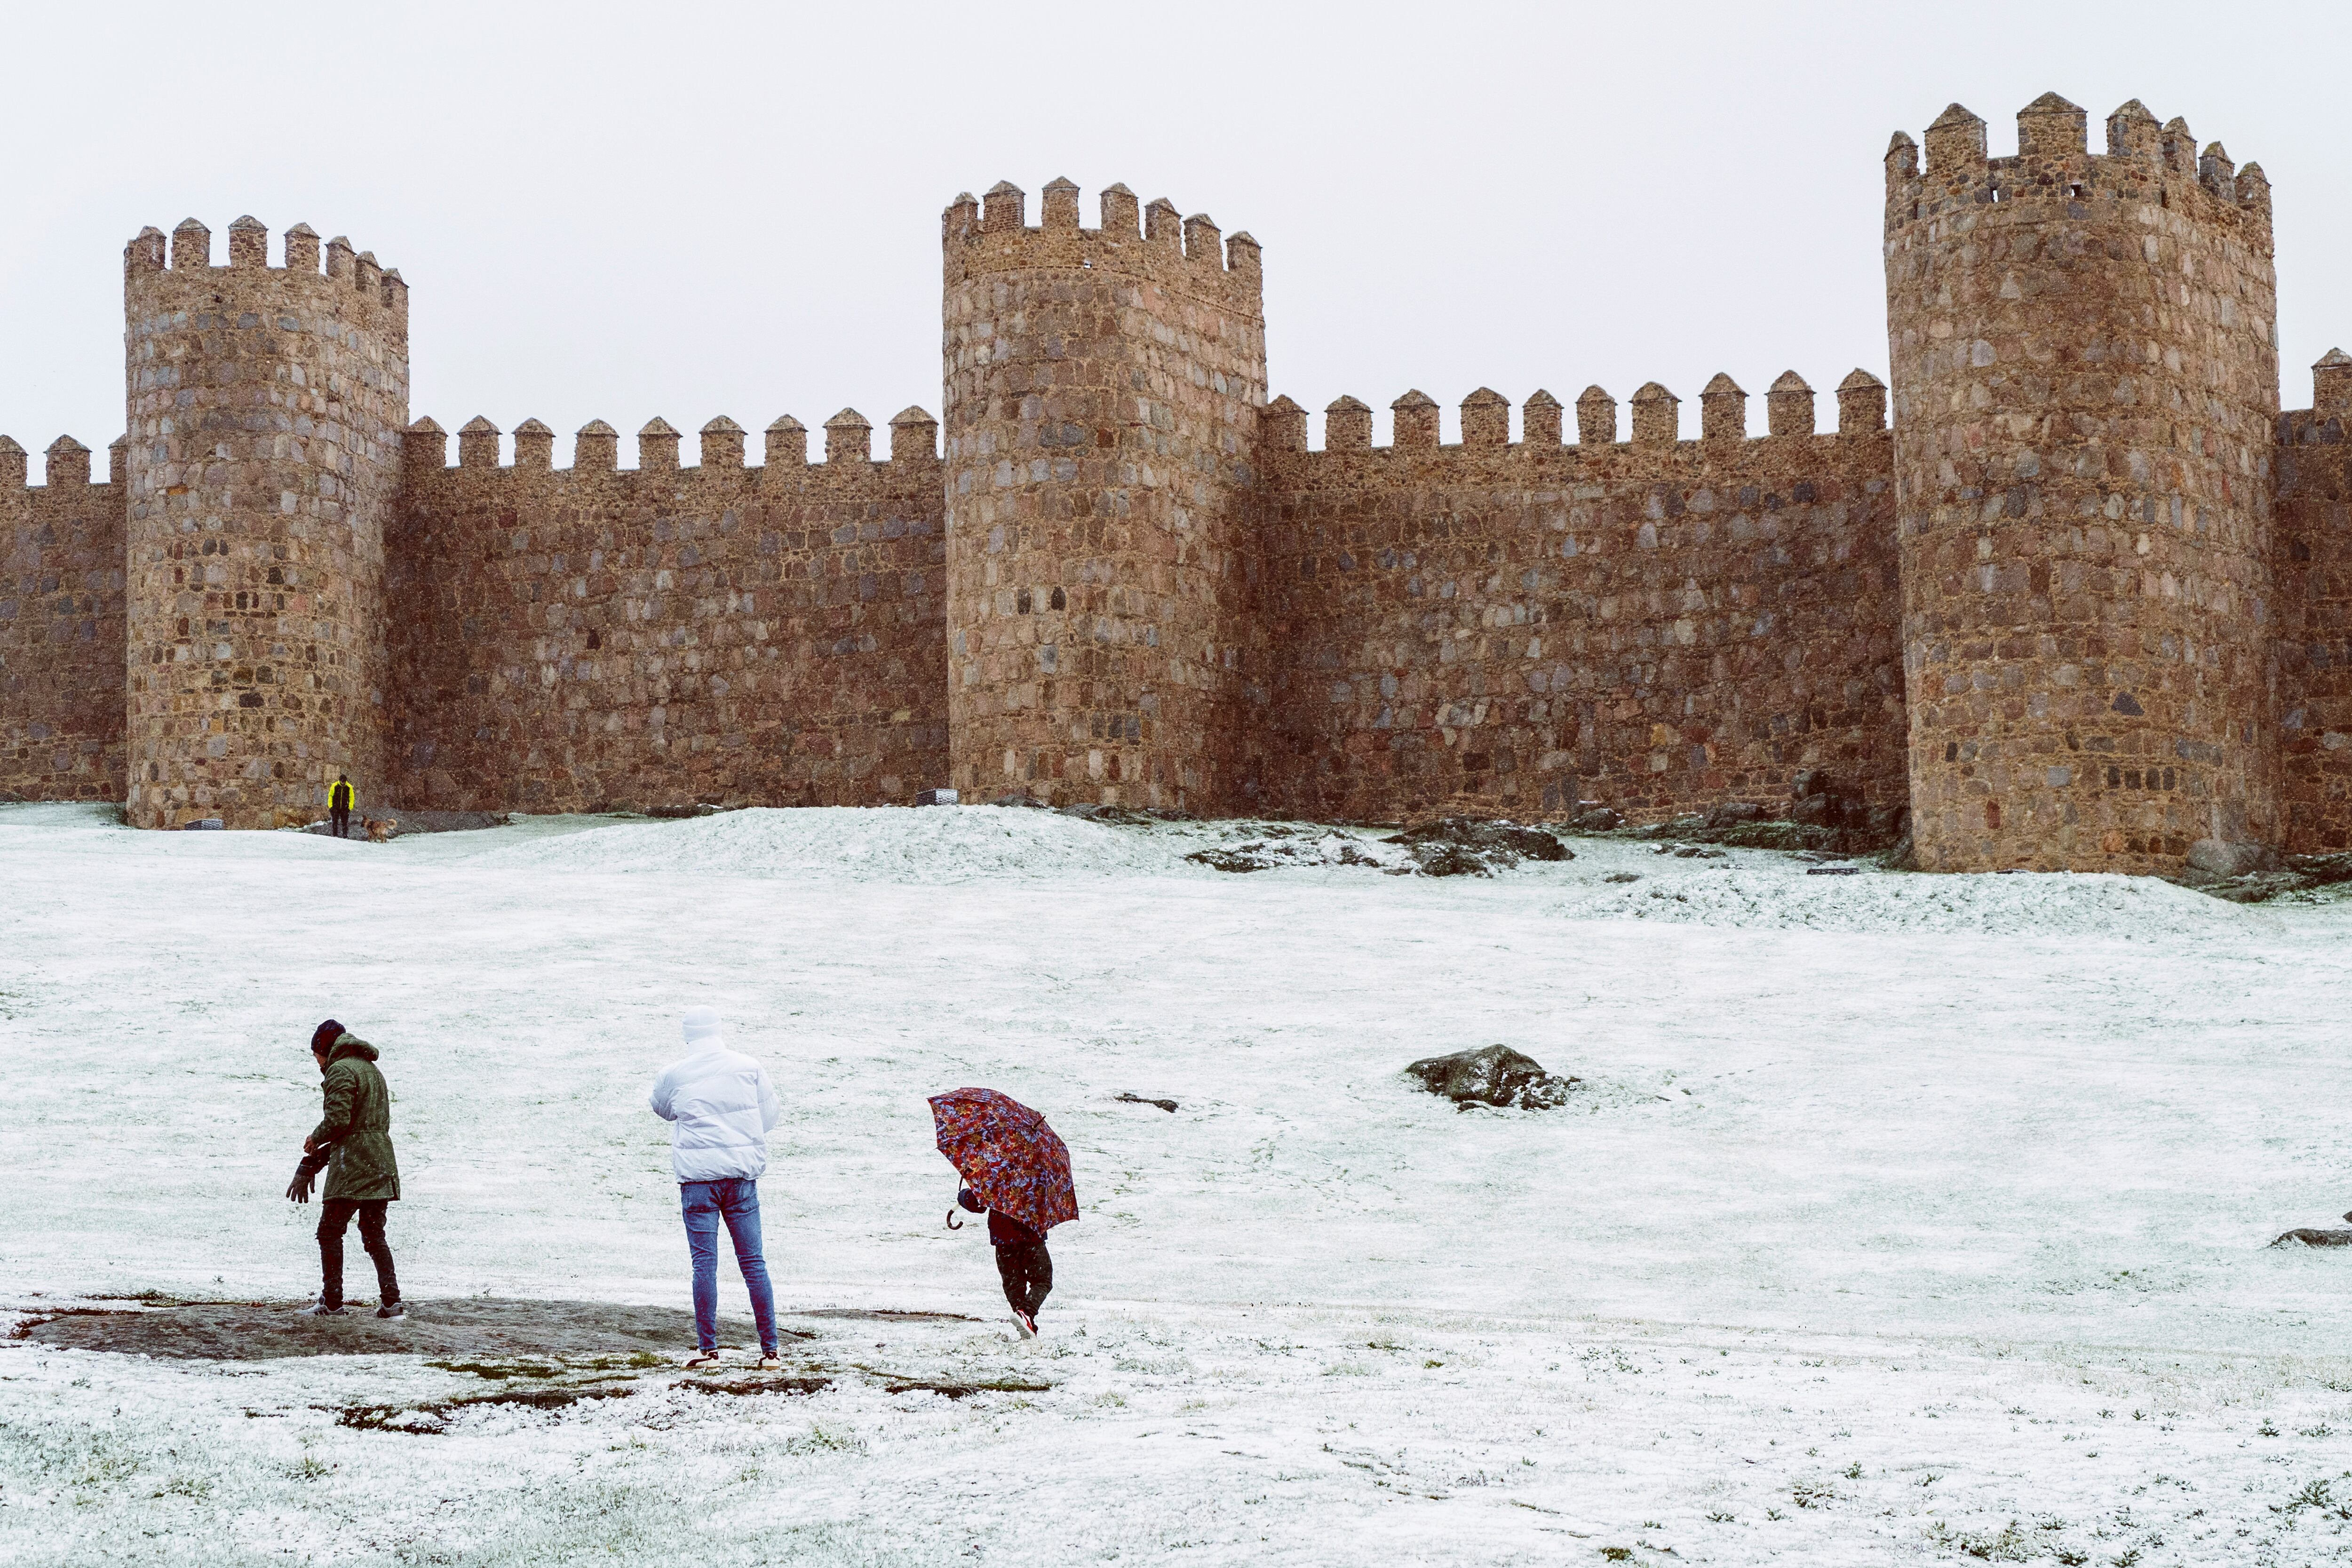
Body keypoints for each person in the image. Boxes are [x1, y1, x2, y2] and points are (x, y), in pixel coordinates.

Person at [649, 1006, 782, 1369]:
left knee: (704, 1263)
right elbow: (769, 1117)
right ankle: (770, 1351)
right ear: (719, 1030)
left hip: (698, 1182)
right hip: (741, 1180)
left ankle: (708, 1350)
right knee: (754, 1262)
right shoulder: (749, 1066)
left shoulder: (674, 1074)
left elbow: (662, 1110)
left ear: (687, 1035)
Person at [284, 1019, 403, 1318]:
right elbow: (361, 1126)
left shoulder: (340, 1069)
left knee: (329, 1232)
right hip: (381, 1161)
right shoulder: (372, 1070)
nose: (318, 1064)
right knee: (374, 1234)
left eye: (316, 1057)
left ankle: (332, 1302)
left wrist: (316, 1138)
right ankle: (392, 1302)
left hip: (353, 1167)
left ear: (324, 1049)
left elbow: (339, 1121)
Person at [958, 1186, 1052, 1337]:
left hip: (1004, 1238)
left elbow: (976, 1204)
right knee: (1042, 1279)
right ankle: (1027, 1314)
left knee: (1014, 1285)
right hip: (1031, 1235)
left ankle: (1026, 1321)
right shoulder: (1038, 1174)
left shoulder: (997, 1171)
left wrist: (963, 1196)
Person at [328, 775, 354, 839]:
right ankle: (335, 835)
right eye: (342, 781)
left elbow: (352, 798)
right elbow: (330, 796)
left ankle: (345, 835)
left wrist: (349, 808)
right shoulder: (334, 786)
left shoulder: (349, 787)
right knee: (335, 821)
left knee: (345, 822)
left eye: (345, 781)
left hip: (345, 808)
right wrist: (331, 806)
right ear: (340, 781)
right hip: (335, 807)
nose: (343, 783)